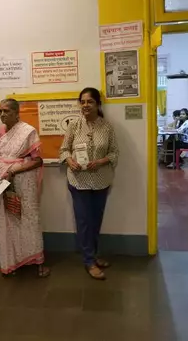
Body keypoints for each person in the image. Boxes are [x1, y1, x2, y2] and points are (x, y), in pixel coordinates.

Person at [59, 87, 119, 280]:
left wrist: (100, 162)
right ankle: (88, 261)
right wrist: (70, 161)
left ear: (97, 104)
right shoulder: (74, 126)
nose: (85, 105)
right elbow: (64, 150)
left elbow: (114, 153)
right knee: (84, 222)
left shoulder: (107, 127)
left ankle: (92, 254)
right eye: (82, 102)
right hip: (79, 181)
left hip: (101, 181)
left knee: (95, 221)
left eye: (90, 102)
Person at [0, 98, 49, 278]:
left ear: (16, 113)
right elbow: (1, 156)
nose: (2, 114)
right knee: (8, 220)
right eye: (0, 111)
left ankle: (37, 261)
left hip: (24, 182)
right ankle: (12, 261)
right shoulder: (1, 131)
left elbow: (38, 160)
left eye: (7, 111)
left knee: (28, 218)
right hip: (4, 181)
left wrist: (15, 169)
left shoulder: (28, 131)